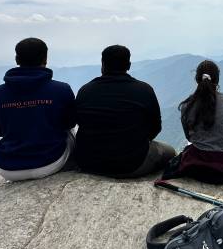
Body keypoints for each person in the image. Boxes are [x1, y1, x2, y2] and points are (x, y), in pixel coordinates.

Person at [74, 45, 175, 177]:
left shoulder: (85, 90)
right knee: (171, 152)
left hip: (89, 163)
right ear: (128, 65)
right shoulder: (144, 90)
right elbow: (155, 127)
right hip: (132, 165)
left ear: (103, 65)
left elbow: (78, 122)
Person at [0, 38, 77, 181]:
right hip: (51, 163)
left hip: (8, 169)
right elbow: (70, 124)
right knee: (73, 131)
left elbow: (0, 131)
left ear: (17, 59)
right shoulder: (62, 89)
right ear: (45, 59)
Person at [170, 60, 223, 182]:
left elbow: (189, 137)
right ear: (217, 79)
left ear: (197, 79)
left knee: (189, 146)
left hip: (198, 163)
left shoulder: (187, 105)